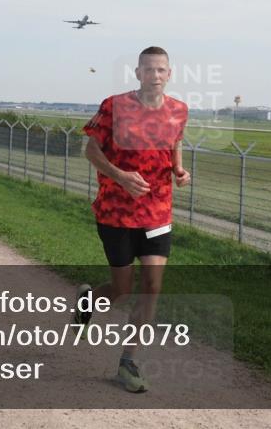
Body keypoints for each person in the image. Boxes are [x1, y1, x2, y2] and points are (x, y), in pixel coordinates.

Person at [76, 46, 190, 392]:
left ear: (169, 74)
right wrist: (120, 176)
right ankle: (88, 300)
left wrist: (179, 170)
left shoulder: (179, 111)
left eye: (161, 70)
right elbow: (91, 150)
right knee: (122, 289)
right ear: (138, 74)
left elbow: (175, 144)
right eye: (149, 70)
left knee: (152, 286)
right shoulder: (114, 106)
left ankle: (128, 361)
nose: (155, 75)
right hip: (116, 212)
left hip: (157, 212)